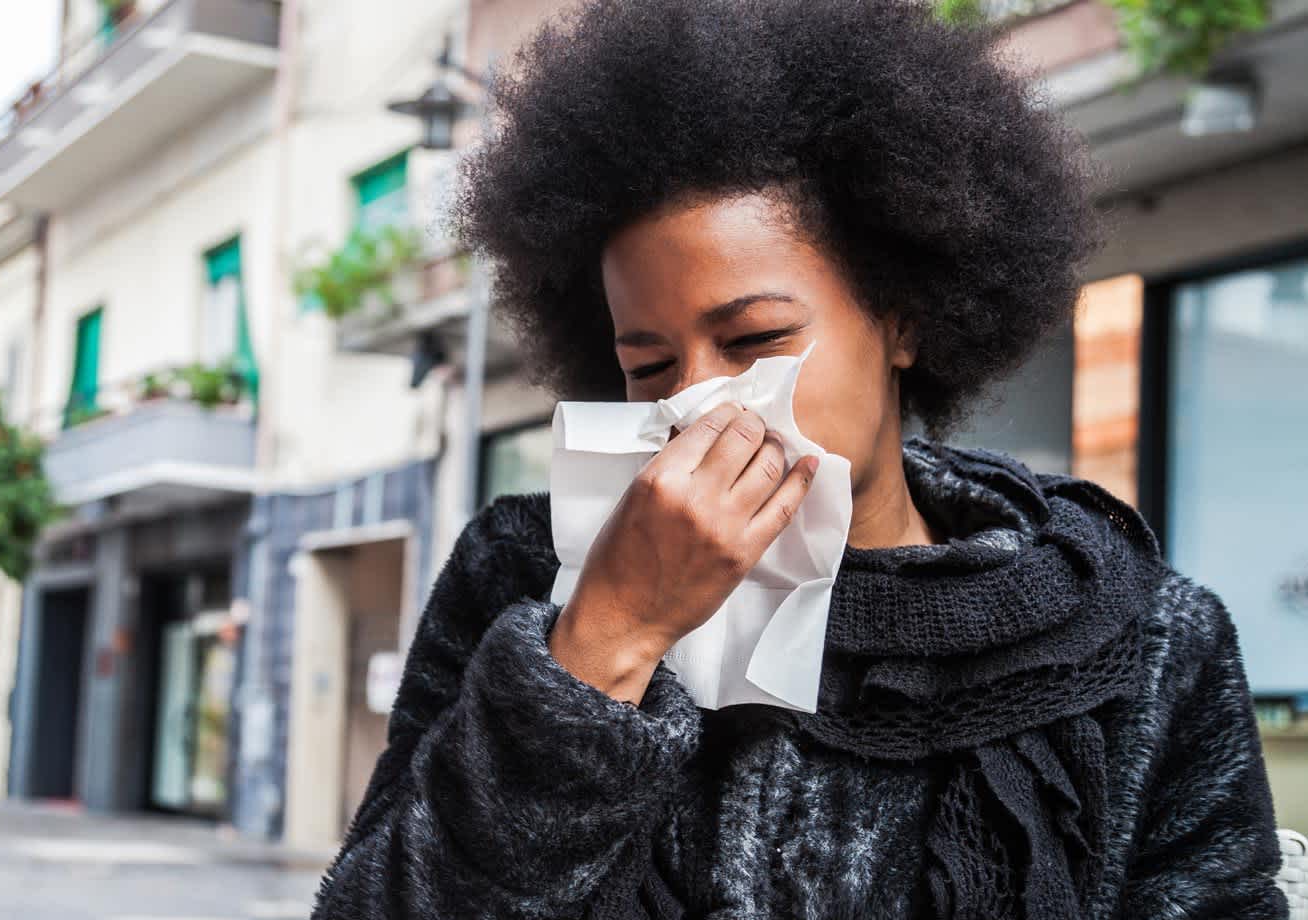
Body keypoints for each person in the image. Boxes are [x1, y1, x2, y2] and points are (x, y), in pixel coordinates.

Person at [308, 1, 1288, 917]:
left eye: (753, 340)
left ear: (902, 319)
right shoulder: (524, 574)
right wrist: (603, 642)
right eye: (648, 362)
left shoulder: (1140, 637)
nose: (696, 399)